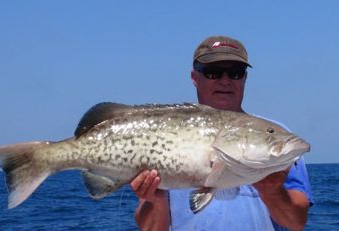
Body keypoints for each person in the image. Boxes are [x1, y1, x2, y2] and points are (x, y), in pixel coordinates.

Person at [130, 35, 313, 231]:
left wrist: (273, 192)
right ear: (194, 78)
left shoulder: (279, 135)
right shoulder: (161, 133)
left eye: (235, 73)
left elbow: (296, 223)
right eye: (213, 72)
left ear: (245, 78)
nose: (225, 81)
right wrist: (156, 201)